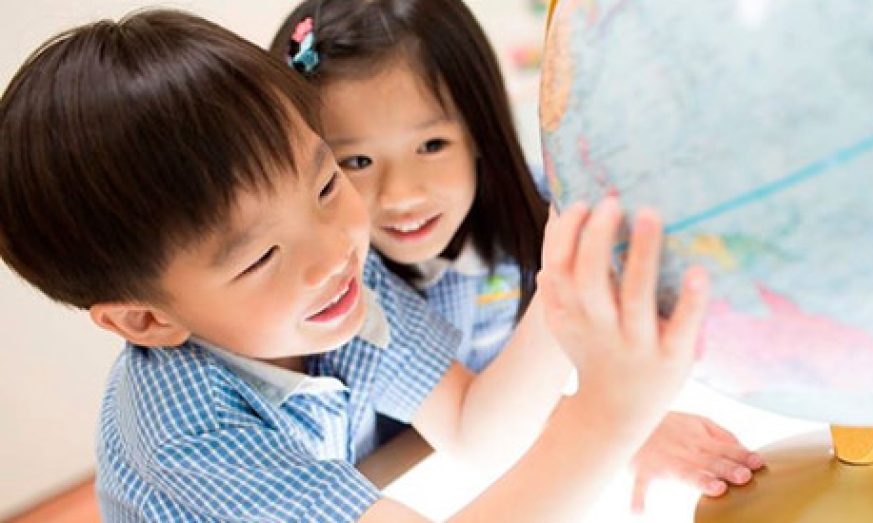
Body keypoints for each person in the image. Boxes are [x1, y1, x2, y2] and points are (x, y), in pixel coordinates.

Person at [0, 9, 719, 521]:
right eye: (261, 256)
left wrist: (564, 265)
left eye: (324, 185)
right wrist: (608, 418)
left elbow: (473, 429)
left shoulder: (328, 284)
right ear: (145, 319)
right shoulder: (186, 436)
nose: (334, 252)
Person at [270, 0, 762, 504]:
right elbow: (472, 430)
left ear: (479, 129)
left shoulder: (542, 207)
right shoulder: (342, 291)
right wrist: (608, 422)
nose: (401, 195)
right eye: (356, 161)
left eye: (432, 145)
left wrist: (618, 424)